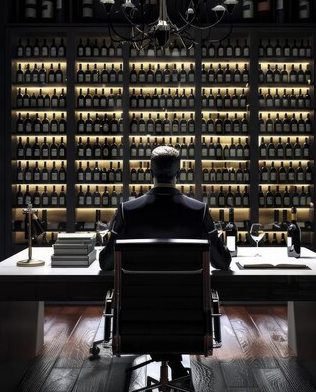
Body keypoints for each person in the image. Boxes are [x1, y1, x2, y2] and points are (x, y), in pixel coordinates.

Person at [99, 145, 231, 379]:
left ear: (150, 171)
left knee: (153, 301)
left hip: (136, 321)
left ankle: (171, 361)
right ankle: (174, 362)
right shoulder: (199, 211)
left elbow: (106, 262)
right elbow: (222, 262)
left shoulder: (126, 210)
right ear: (179, 172)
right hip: (188, 322)